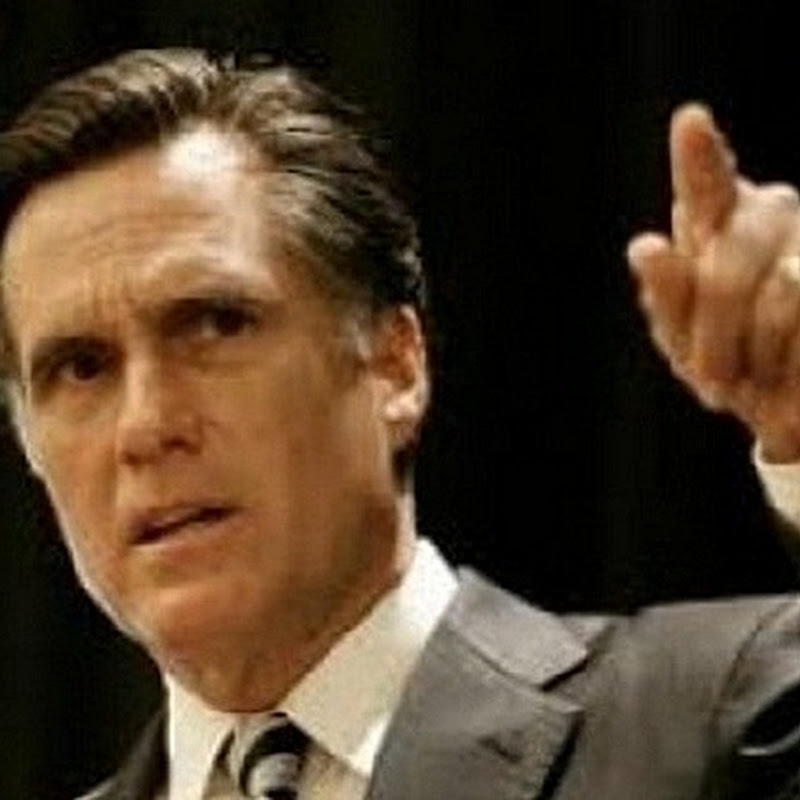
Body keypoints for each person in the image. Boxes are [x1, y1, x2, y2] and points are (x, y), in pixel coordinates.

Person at [1, 47, 800, 800]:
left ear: (395, 365)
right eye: (81, 368)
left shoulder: (714, 720)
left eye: (215, 324)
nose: (146, 426)